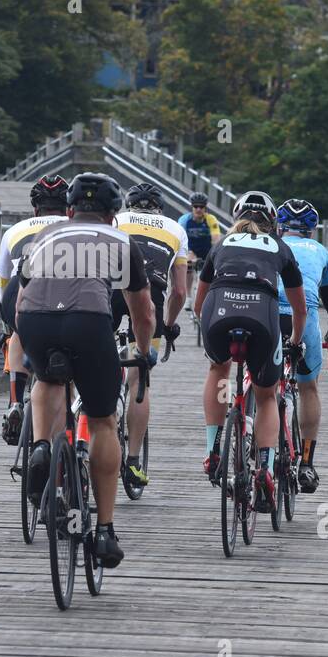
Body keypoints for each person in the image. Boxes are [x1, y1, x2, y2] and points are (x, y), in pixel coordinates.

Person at [15, 173, 156, 568]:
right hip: (89, 323)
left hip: (35, 322)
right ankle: (106, 531)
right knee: (103, 420)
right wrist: (142, 353)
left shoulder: (44, 237)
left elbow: (20, 299)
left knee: (48, 379)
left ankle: (42, 447)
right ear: (114, 215)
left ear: (71, 209)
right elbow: (142, 311)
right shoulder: (120, 241)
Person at [195, 191, 307, 514]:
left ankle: (213, 449)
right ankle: (265, 469)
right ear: (272, 223)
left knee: (219, 370)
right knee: (267, 395)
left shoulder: (221, 245)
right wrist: (296, 343)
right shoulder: (280, 247)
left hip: (218, 312)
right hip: (263, 318)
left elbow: (200, 303)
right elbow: (299, 309)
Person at [112, 183, 189, 487]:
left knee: (91, 359)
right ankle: (132, 462)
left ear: (129, 205)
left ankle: (82, 430)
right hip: (149, 294)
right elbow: (181, 291)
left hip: (108, 290)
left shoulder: (116, 219)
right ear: (160, 208)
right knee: (139, 379)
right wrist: (168, 324)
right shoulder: (175, 229)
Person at [274, 198, 328, 494]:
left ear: (279, 227)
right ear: (311, 230)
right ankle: (306, 461)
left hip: (267, 317)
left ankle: (258, 454)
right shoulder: (321, 252)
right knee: (307, 388)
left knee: (261, 387)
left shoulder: (270, 244)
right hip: (305, 321)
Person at [0, 175, 68, 445]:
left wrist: (6, 325)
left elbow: (3, 281)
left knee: (17, 332)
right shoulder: (77, 226)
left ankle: (15, 400)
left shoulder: (15, 230)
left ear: (35, 208)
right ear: (68, 207)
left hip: (21, 289)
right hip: (66, 292)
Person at [179, 192, 222, 289]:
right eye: (196, 206)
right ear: (192, 207)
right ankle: (188, 297)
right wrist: (189, 252)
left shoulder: (211, 219)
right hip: (190, 250)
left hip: (206, 251)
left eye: (201, 207)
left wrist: (214, 255)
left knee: (206, 275)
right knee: (188, 267)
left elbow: (216, 239)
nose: (198, 209)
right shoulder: (184, 220)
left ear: (205, 208)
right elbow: (180, 239)